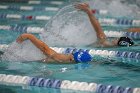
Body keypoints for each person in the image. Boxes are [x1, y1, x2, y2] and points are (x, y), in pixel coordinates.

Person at [16, 33, 92, 63]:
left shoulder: (64, 59)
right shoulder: (57, 57)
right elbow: (44, 48)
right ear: (72, 59)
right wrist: (29, 36)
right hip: (22, 59)